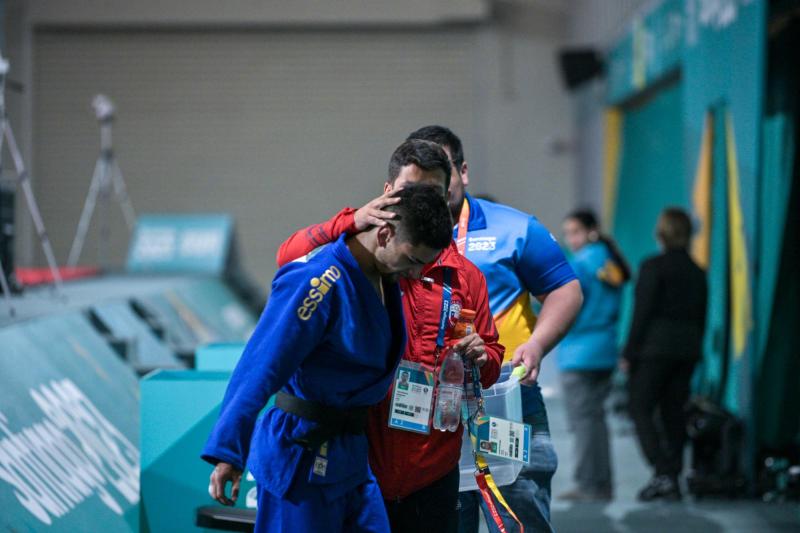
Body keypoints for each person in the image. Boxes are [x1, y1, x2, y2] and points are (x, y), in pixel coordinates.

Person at [275, 138, 504, 532]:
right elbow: (288, 257)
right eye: (409, 191)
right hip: (360, 460)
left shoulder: (466, 277)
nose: (422, 202)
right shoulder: (356, 261)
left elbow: (491, 361)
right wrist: (349, 221)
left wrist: (482, 357)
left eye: (433, 193)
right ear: (387, 193)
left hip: (434, 470)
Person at [201, 181, 454, 531]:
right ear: (384, 234)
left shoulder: (384, 277)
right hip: (301, 454)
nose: (415, 273)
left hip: (350, 456)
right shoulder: (317, 280)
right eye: (412, 260)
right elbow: (260, 366)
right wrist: (229, 450)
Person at [398, 126, 581, 533]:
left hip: (504, 396)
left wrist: (537, 345)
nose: (432, 186)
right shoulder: (396, 235)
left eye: (442, 172)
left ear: (462, 172)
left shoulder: (515, 229)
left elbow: (565, 289)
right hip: (430, 408)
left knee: (520, 514)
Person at [622, 207, 707, 501]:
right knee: (674, 412)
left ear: (660, 233)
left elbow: (642, 313)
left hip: (654, 350)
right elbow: (701, 316)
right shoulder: (697, 271)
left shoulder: (652, 266)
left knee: (639, 407)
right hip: (687, 350)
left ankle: (663, 472)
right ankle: (673, 475)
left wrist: (629, 352)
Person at [556, 208, 630, 502]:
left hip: (579, 355)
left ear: (591, 231)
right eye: (567, 233)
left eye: (575, 232)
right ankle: (602, 484)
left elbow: (562, 306)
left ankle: (588, 485)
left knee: (584, 424)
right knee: (596, 421)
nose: (570, 239)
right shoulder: (609, 261)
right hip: (604, 350)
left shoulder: (579, 265)